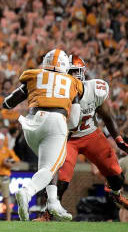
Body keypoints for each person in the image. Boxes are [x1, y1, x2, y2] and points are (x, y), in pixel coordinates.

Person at [40, 55, 128, 220]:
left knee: (117, 176)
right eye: (71, 72)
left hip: (91, 135)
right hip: (67, 139)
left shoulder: (95, 88)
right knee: (61, 180)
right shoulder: (55, 94)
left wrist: (118, 138)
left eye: (77, 72)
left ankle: (115, 193)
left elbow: (107, 116)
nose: (75, 76)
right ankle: (48, 214)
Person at [2, 49, 83, 221]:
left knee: (48, 165)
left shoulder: (35, 75)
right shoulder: (72, 82)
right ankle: (27, 191)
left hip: (31, 124)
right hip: (55, 121)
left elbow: (8, 102)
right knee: (53, 164)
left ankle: (53, 201)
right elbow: (75, 120)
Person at [0, 131, 20, 221]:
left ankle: (8, 219)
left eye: (0, 140)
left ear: (3, 141)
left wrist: (9, 164)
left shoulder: (7, 150)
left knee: (6, 198)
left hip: (4, 176)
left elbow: (17, 161)